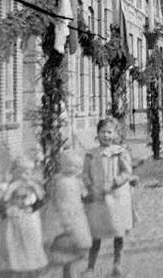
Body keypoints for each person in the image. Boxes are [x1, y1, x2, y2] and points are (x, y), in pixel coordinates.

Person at [82, 117, 139, 277]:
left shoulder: (120, 152)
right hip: (97, 197)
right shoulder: (91, 154)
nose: (106, 135)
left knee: (118, 231)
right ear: (97, 134)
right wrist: (89, 185)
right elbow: (85, 173)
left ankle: (117, 264)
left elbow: (127, 172)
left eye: (109, 132)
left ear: (115, 134)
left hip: (116, 197)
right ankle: (90, 267)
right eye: (102, 132)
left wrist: (114, 183)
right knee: (96, 233)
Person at [0, 155, 48, 278]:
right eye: (23, 173)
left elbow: (41, 199)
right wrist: (8, 209)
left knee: (30, 244)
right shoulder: (11, 186)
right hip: (14, 221)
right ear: (15, 172)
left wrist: (33, 207)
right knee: (13, 244)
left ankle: (30, 268)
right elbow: (3, 201)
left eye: (29, 173)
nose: (26, 176)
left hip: (30, 221)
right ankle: (15, 269)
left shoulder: (33, 185)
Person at [42, 150, 92, 278]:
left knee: (73, 249)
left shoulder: (74, 180)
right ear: (62, 165)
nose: (74, 169)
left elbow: (81, 193)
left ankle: (70, 272)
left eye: (77, 167)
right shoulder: (61, 181)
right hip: (64, 217)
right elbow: (61, 202)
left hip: (75, 215)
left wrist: (86, 194)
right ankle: (67, 273)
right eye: (70, 166)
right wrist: (66, 222)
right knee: (66, 248)